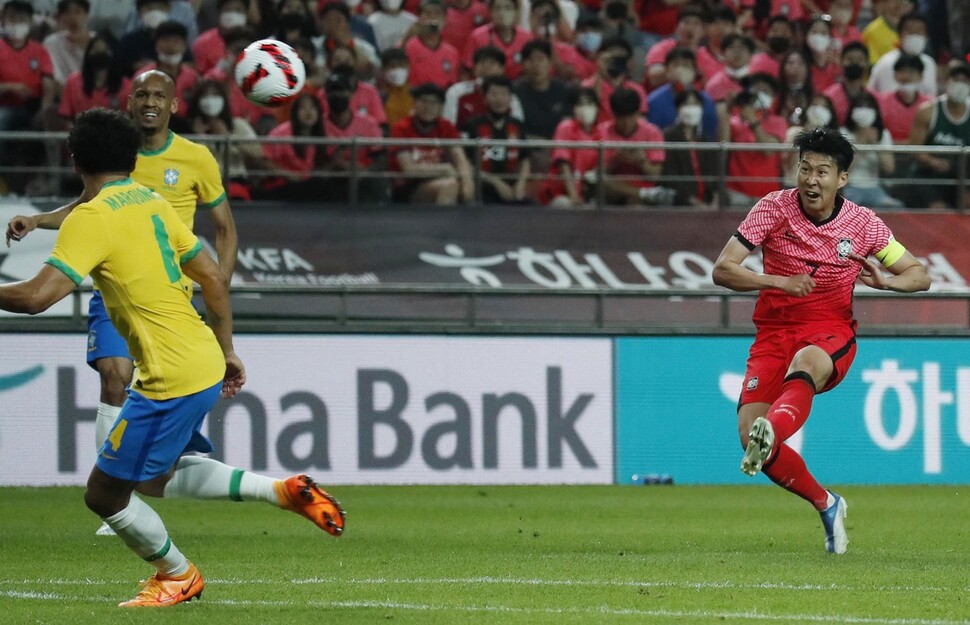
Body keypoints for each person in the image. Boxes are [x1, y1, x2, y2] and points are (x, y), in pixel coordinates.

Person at [0, 107, 345, 607]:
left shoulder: (90, 217)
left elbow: (36, 297)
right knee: (158, 478)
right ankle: (282, 491)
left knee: (104, 495)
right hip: (201, 355)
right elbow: (211, 275)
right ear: (131, 158)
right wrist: (227, 349)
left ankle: (177, 575)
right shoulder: (155, 201)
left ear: (75, 163)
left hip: (169, 375)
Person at [6, 70, 237, 536]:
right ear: (129, 102)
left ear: (174, 105)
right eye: (142, 93)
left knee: (160, 456)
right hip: (116, 289)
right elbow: (86, 207)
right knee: (115, 375)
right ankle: (115, 495)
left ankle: (115, 492)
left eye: (160, 95)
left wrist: (218, 292)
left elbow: (225, 231)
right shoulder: (114, 163)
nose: (150, 101)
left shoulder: (194, 159)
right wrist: (37, 220)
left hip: (169, 293)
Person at [712, 126, 931, 555]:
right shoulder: (772, 208)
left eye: (823, 172)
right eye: (805, 168)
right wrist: (778, 281)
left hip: (830, 329)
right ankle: (826, 503)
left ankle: (771, 430)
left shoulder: (864, 225)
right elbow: (723, 269)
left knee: (808, 363)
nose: (811, 180)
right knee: (747, 437)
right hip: (774, 332)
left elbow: (920, 275)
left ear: (842, 179)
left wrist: (886, 283)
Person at [390, 81, 474, 204]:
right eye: (423, 101)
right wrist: (444, 169)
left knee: (460, 185)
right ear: (415, 103)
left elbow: (460, 158)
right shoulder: (401, 127)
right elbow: (409, 169)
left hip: (442, 178)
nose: (428, 106)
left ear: (440, 107)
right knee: (449, 186)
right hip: (408, 185)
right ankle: (442, 223)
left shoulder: (446, 126)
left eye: (434, 102)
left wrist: (467, 185)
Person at [907, 63, 970, 209]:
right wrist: (932, 162)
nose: (960, 84)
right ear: (947, 81)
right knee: (939, 211)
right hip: (927, 177)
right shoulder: (928, 112)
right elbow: (913, 149)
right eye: (956, 79)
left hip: (961, 178)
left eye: (965, 80)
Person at [459, 74, 531, 203]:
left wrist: (521, 184)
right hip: (481, 189)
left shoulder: (517, 125)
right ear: (485, 98)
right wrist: (496, 183)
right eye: (494, 94)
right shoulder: (471, 125)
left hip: (512, 189)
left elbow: (524, 159)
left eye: (504, 94)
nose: (499, 99)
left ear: (510, 99)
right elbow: (465, 163)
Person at [840, 91, 902, 209]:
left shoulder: (883, 134)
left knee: (896, 207)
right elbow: (843, 170)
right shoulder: (843, 133)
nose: (864, 111)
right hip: (849, 188)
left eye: (868, 107)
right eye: (859, 107)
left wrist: (875, 143)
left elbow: (889, 169)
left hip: (874, 188)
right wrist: (861, 142)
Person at [662, 88, 718, 208]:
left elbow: (714, 172)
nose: (692, 109)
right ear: (678, 108)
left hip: (707, 199)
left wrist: (716, 199)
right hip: (683, 200)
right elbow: (670, 176)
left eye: (696, 104)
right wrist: (694, 202)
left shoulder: (704, 139)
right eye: (687, 104)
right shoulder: (668, 137)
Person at [866, 12, 936, 97]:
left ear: (926, 36)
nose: (914, 36)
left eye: (919, 32)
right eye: (910, 32)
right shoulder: (886, 63)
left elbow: (932, 97)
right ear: (899, 34)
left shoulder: (930, 63)